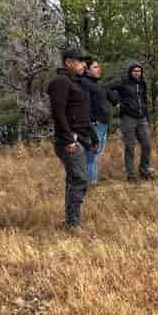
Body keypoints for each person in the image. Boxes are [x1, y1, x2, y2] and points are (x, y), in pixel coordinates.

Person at [46, 47, 98, 231]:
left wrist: (92, 135)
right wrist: (69, 139)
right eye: (80, 61)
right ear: (68, 62)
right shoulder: (60, 82)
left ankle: (71, 221)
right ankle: (73, 224)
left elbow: (80, 113)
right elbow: (58, 113)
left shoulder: (76, 82)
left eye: (85, 62)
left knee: (75, 180)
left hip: (81, 138)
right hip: (69, 141)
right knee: (80, 179)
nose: (84, 65)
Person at [108, 60, 153, 182]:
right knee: (130, 146)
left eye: (139, 71)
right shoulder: (123, 82)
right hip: (128, 117)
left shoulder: (143, 83)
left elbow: (144, 101)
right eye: (135, 71)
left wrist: (147, 116)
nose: (137, 73)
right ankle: (131, 175)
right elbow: (108, 88)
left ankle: (144, 170)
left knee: (147, 144)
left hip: (142, 117)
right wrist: (116, 102)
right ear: (130, 72)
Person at [80, 57, 111, 185]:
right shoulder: (84, 83)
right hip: (94, 124)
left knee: (96, 156)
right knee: (91, 157)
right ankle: (90, 184)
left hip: (103, 124)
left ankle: (92, 182)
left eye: (99, 67)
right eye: (95, 67)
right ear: (87, 70)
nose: (99, 69)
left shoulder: (95, 84)